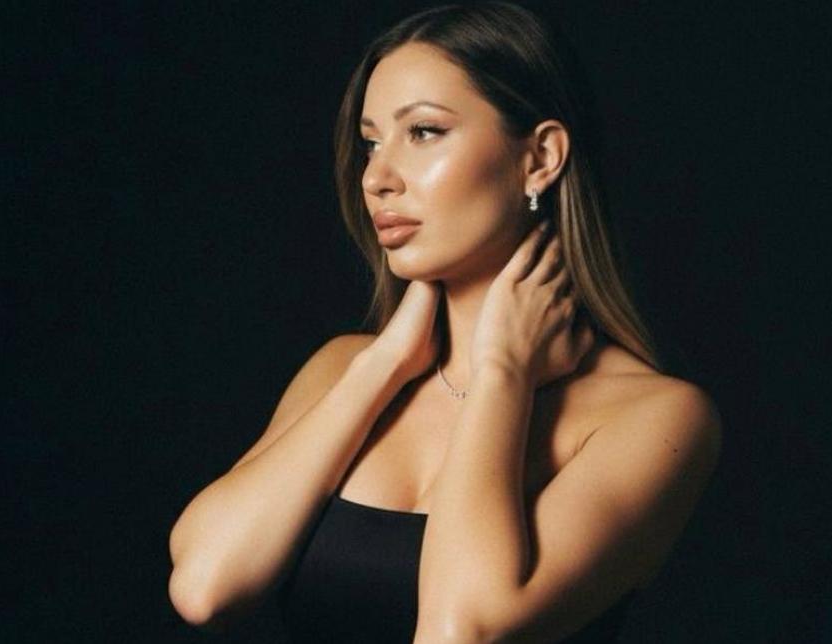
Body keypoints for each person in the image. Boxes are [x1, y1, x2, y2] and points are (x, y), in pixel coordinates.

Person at [168, 2, 722, 642]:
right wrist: (384, 364)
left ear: (540, 157)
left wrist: (503, 373)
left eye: (424, 132)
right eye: (371, 142)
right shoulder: (345, 368)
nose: (377, 178)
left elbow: (462, 630)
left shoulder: (657, 418)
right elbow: (204, 587)